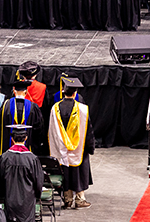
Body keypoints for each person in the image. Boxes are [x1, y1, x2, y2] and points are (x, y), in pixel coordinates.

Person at [48, 77, 94, 209]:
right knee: (79, 172)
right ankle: (80, 199)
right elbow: (88, 130)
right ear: (75, 93)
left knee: (66, 172)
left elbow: (51, 131)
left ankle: (67, 200)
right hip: (79, 147)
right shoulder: (83, 109)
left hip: (61, 147)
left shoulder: (55, 108)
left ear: (63, 91)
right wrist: (90, 147)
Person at [0, 123, 44, 222]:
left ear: (12, 139)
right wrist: (37, 196)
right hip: (27, 200)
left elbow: (0, 179)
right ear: (26, 138)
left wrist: (3, 194)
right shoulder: (32, 159)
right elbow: (38, 181)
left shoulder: (5, 157)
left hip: (10, 198)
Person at [0, 79, 44, 155]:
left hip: (8, 150)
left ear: (14, 91)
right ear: (26, 92)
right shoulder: (33, 107)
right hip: (27, 148)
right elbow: (38, 129)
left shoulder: (6, 105)